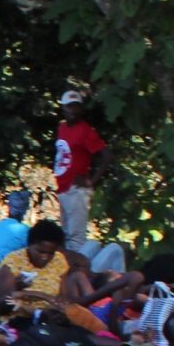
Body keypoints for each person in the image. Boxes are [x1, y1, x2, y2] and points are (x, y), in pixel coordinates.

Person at [52, 89, 106, 248]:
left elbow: (106, 156)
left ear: (81, 109)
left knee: (76, 238)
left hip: (76, 190)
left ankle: (77, 272)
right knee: (66, 236)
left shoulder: (85, 130)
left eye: (76, 106)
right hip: (63, 187)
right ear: (63, 108)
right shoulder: (62, 127)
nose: (73, 110)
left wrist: (91, 181)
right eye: (69, 106)